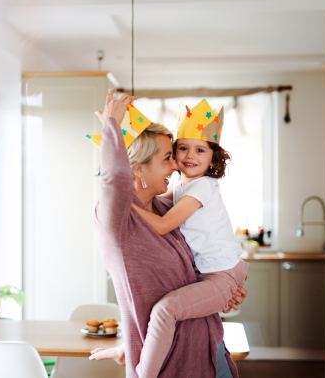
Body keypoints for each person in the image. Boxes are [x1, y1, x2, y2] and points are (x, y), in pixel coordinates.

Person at [89, 90, 246, 378]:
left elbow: (197, 265)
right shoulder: (118, 222)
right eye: (167, 158)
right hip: (174, 366)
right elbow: (115, 181)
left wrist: (224, 290)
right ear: (136, 169)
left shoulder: (166, 208)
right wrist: (112, 123)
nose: (176, 166)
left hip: (211, 349)